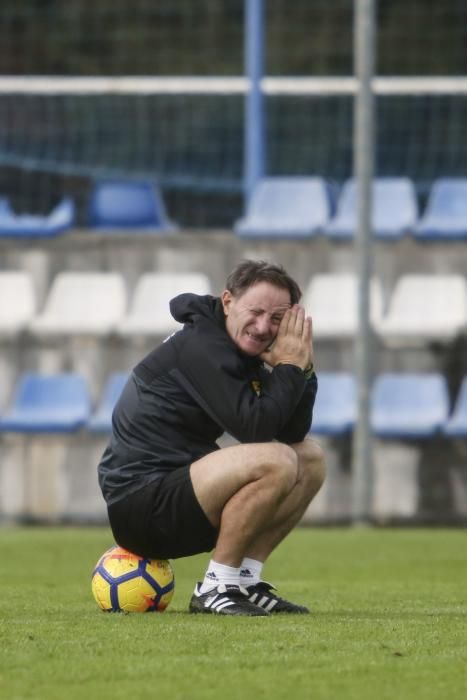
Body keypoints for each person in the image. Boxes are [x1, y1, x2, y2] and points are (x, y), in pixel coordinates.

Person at [98, 259, 325, 616]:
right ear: (228, 302)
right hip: (139, 505)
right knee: (276, 460)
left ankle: (244, 583)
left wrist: (303, 369)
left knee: (309, 458)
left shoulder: (235, 347)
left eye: (277, 319)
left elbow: (291, 431)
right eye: (256, 311)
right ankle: (217, 586)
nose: (264, 326)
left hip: (182, 494)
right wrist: (288, 369)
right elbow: (256, 429)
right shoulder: (203, 346)